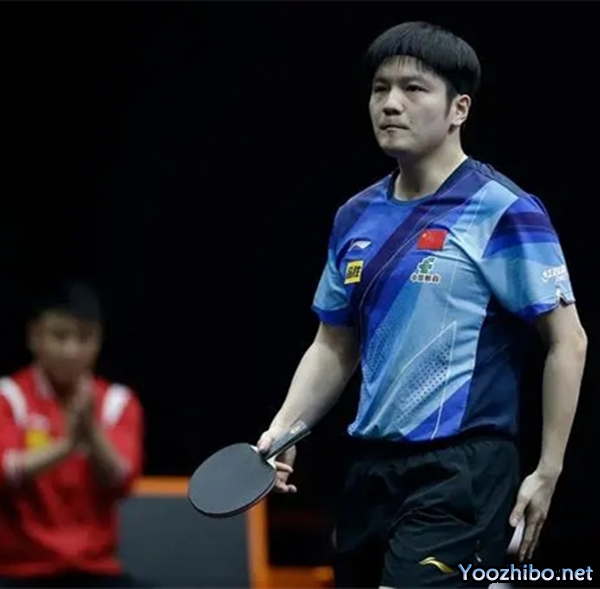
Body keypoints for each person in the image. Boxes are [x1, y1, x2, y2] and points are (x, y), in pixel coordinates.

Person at [256, 21, 588, 588]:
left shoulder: (503, 209)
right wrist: (284, 428)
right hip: (369, 470)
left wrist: (548, 469)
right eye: (379, 88)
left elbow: (568, 340)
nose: (390, 104)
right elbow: (334, 345)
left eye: (413, 89)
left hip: (462, 470)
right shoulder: (354, 216)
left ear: (459, 109)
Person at [0, 281, 144, 588]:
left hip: (96, 571)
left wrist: (91, 432)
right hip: (20, 572)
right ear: (34, 336)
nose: (71, 350)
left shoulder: (118, 402)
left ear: (99, 340)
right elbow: (5, 470)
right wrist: (67, 445)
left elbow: (122, 479)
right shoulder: (8, 397)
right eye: (59, 336)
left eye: (84, 337)